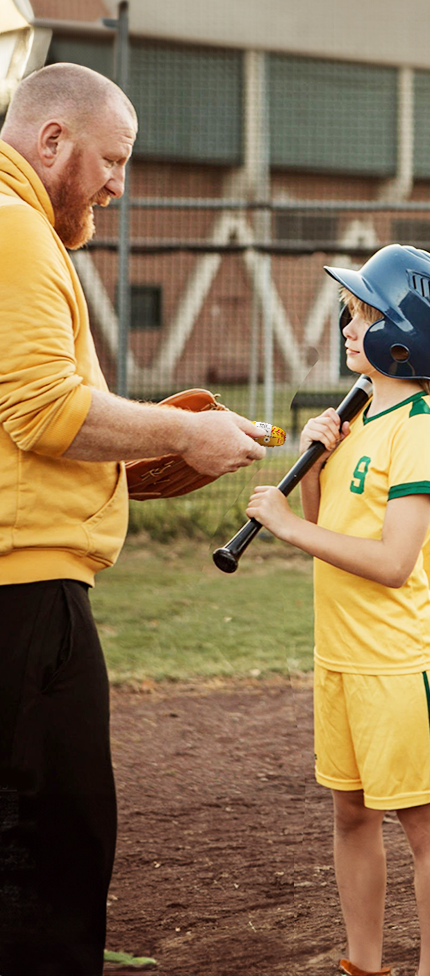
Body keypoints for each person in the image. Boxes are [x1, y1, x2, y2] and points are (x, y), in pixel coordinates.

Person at [0, 63, 266, 976]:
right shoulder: (13, 229)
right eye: (111, 159)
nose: (120, 181)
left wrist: (138, 463)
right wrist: (185, 434)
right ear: (51, 141)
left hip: (27, 588)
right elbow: (43, 411)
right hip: (25, 601)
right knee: (52, 863)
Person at [245, 244, 430, 976]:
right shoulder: (352, 420)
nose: (348, 326)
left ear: (403, 335)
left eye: (363, 314)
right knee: (350, 815)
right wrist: (316, 461)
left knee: (425, 827)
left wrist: (285, 524)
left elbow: (392, 562)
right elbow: (335, 528)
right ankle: (363, 964)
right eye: (350, 312)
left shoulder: (419, 429)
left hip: (398, 663)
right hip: (339, 656)